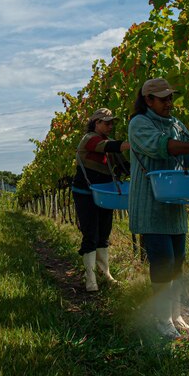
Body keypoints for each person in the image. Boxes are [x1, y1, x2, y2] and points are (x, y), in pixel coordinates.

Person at [128, 78, 189, 339]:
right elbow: (163, 147)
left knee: (177, 263)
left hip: (174, 205)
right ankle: (162, 320)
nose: (169, 103)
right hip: (151, 204)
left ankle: (176, 314)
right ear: (148, 100)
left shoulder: (175, 124)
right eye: (163, 99)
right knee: (163, 262)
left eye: (170, 98)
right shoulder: (139, 123)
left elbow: (188, 155)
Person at [72, 108, 130, 292]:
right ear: (96, 123)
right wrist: (132, 143)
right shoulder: (89, 139)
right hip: (85, 192)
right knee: (91, 233)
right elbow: (108, 147)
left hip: (105, 193)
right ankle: (90, 278)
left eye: (112, 122)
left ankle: (105, 273)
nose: (110, 125)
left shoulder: (110, 143)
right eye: (107, 122)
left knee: (104, 232)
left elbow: (123, 166)